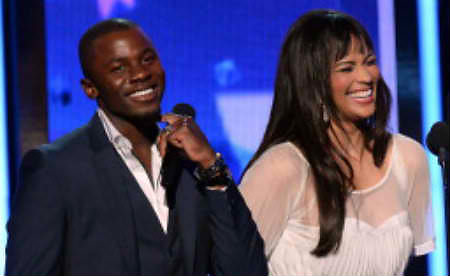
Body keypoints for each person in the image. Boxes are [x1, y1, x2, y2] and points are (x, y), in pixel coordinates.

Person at [6, 18, 267, 276]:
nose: (141, 74)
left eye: (147, 59)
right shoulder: (55, 169)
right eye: (119, 68)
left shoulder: (191, 162)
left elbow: (246, 270)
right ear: (90, 88)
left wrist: (211, 164)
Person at [239, 9, 435, 276]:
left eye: (369, 62)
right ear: (313, 82)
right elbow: (233, 265)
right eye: (347, 68)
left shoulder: (408, 158)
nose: (366, 77)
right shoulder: (281, 168)